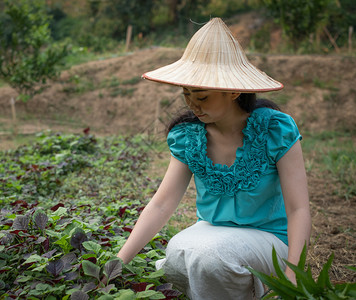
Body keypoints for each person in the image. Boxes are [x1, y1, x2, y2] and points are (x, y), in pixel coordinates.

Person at [116, 18, 311, 299]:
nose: (192, 104)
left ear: (233, 91)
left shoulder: (274, 129)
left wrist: (294, 274)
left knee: (212, 257)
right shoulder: (189, 137)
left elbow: (298, 210)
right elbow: (161, 204)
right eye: (186, 94)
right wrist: (119, 261)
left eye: (203, 96)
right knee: (177, 252)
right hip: (212, 234)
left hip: (270, 241)